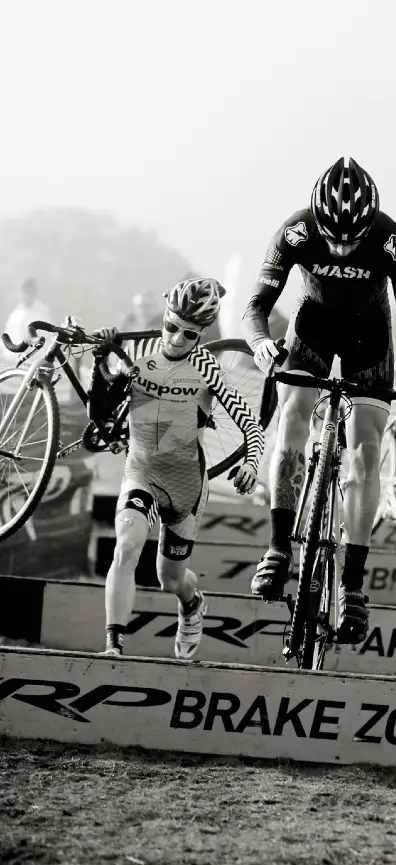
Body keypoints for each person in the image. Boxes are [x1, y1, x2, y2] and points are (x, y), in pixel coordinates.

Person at [243, 156, 396, 643]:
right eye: (333, 237)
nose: (344, 247)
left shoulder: (393, 241)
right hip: (314, 328)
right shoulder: (295, 231)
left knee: (367, 451)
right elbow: (257, 307)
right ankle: (279, 546)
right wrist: (262, 342)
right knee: (290, 424)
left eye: (353, 239)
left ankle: (352, 586)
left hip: (370, 337)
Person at [93, 276, 265, 659]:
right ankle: (113, 646)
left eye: (188, 335)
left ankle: (191, 603)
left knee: (169, 579)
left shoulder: (208, 369)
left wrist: (252, 465)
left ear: (202, 334)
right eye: (170, 327)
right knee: (126, 546)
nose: (175, 339)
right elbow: (101, 411)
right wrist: (100, 361)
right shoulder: (137, 355)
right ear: (164, 317)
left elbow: (252, 426)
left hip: (186, 486)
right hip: (140, 473)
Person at [3, 277, 54, 355]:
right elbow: (7, 336)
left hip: (34, 358)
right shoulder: (15, 313)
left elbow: (48, 337)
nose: (25, 295)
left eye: (28, 291)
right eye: (24, 291)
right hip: (14, 359)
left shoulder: (41, 311)